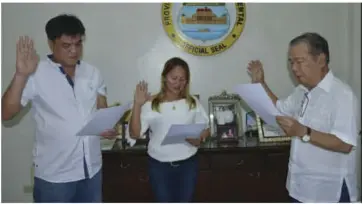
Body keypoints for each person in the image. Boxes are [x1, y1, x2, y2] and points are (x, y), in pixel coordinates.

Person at [1, 14, 118, 202]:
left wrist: (107, 127)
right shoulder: (35, 73)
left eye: (78, 44)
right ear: (51, 43)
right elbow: (6, 113)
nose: (74, 51)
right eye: (66, 45)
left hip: (92, 170)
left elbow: (101, 109)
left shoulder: (92, 73)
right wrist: (21, 75)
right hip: (55, 176)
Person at [247, 32, 359, 203]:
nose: (293, 68)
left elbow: (345, 144)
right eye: (291, 62)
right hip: (299, 186)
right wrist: (261, 84)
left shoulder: (342, 95)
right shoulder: (301, 91)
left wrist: (304, 132)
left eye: (299, 62)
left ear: (321, 60)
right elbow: (279, 110)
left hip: (328, 192)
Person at [128, 57, 210, 202]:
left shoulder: (192, 102)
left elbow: (206, 129)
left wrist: (200, 138)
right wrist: (137, 104)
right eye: (174, 78)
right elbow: (134, 134)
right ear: (164, 77)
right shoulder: (152, 104)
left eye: (182, 79)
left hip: (188, 163)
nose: (178, 83)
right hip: (160, 166)